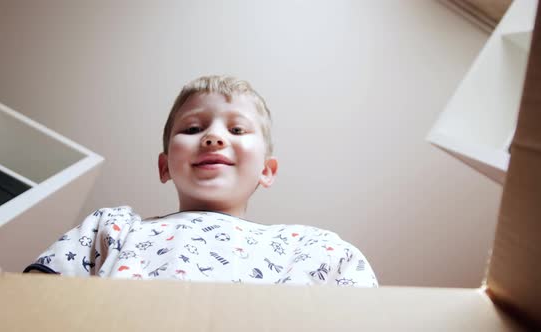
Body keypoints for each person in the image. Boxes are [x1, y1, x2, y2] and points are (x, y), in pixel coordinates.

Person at [24, 75, 378, 287]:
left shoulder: (317, 249)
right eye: (193, 129)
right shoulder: (112, 228)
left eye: (237, 129)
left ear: (267, 171)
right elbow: (29, 301)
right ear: (164, 166)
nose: (213, 138)